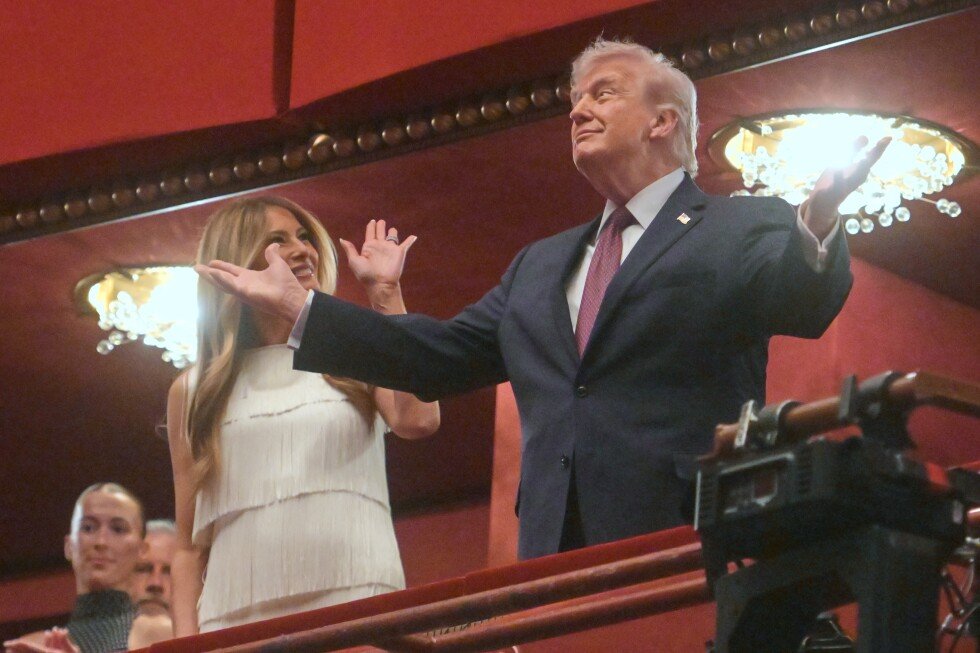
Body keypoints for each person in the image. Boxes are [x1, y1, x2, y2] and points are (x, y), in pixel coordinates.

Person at [195, 38, 888, 560]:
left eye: (603, 94)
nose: (578, 110)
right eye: (576, 99)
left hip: (686, 536)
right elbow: (433, 357)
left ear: (663, 121)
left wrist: (820, 218)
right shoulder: (540, 264)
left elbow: (804, 303)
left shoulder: (739, 224)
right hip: (556, 551)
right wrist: (300, 309)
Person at [167, 197, 440, 634]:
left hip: (358, 596)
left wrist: (386, 294)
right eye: (278, 241)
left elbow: (419, 420)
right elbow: (187, 548)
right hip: (236, 617)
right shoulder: (195, 389)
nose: (302, 250)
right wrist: (186, 644)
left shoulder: (351, 349)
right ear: (239, 259)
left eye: (304, 237)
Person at [3, 483, 168, 653]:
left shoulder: (162, 634)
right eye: (88, 527)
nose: (101, 542)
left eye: (118, 529)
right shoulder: (33, 647)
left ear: (142, 550)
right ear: (68, 546)